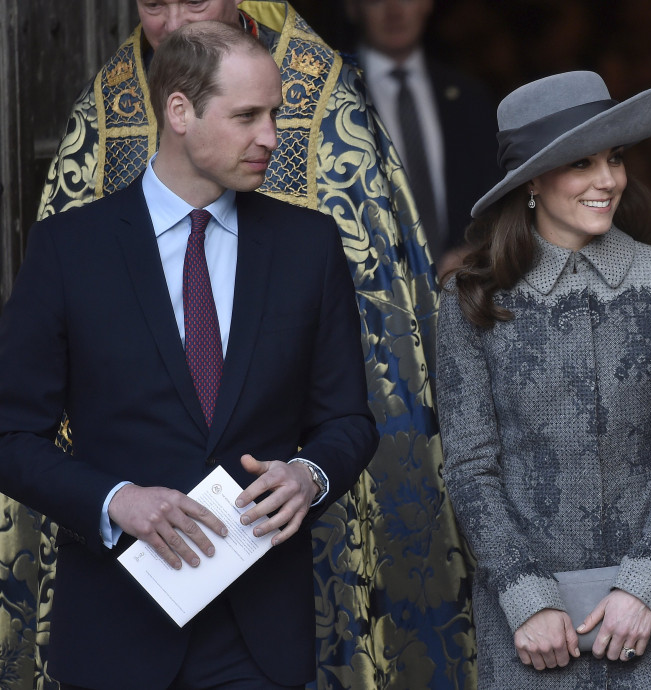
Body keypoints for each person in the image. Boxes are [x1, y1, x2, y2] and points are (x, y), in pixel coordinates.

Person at [0, 2, 475, 689]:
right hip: (115, 631)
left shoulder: (309, 247)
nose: (272, 137)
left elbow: (347, 420)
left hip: (260, 638)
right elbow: (12, 435)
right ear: (181, 112)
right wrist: (117, 500)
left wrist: (309, 476)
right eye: (248, 117)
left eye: (276, 114)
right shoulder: (69, 251)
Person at [436, 70, 651, 688]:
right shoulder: (472, 300)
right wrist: (526, 596)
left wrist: (645, 588)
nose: (608, 181)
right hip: (528, 631)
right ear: (533, 181)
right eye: (582, 163)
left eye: (615, 159)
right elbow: (468, 467)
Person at [345, 0, 502, 272]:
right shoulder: (334, 98)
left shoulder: (468, 96)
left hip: (461, 289)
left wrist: (476, 249)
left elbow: (497, 196)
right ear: (352, 7)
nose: (394, 10)